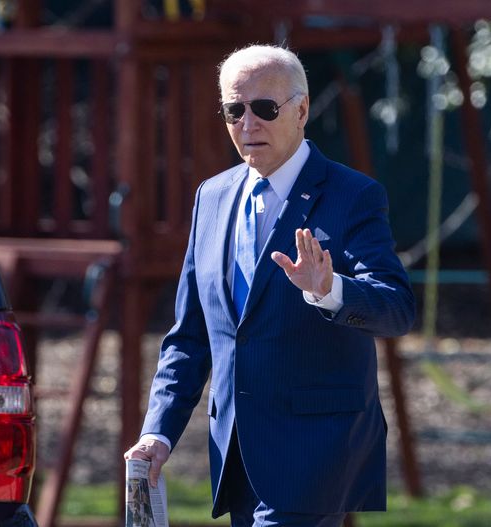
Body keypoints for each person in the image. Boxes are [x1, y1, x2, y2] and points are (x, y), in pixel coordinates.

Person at [124, 44, 416, 526]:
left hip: (317, 452)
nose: (248, 123)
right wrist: (158, 432)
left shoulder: (353, 196)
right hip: (236, 454)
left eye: (264, 108)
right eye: (234, 110)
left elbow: (398, 308)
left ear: (301, 110)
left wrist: (330, 290)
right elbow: (190, 337)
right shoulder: (212, 196)